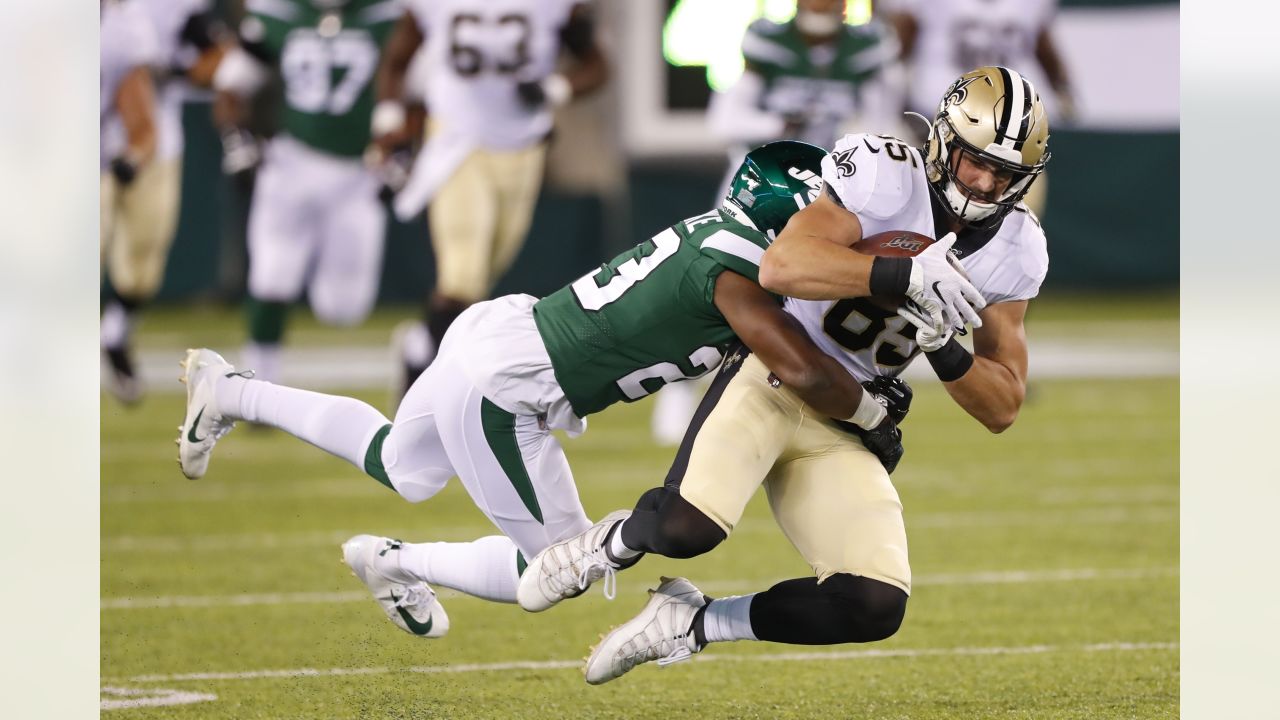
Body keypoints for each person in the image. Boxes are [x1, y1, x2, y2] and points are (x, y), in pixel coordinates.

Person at [174, 141, 981, 640]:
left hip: (504, 333)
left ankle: (232, 391)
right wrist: (875, 412)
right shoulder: (739, 274)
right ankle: (394, 560)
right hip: (510, 389)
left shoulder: (720, 238)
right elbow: (799, 368)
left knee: (400, 462)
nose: (830, 225)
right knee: (551, 576)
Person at [514, 66, 1051, 685]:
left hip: (848, 417)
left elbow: (1002, 404)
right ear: (941, 145)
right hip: (776, 373)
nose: (985, 183)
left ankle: (693, 623)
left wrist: (945, 350)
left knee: (873, 602)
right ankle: (602, 547)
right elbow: (782, 265)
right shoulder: (883, 173)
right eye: (973, 162)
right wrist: (901, 277)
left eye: (1005, 173)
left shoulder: (1017, 248)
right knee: (687, 528)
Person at [652, 0, 903, 445]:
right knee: (718, 292)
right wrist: (781, 123)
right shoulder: (768, 39)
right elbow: (725, 119)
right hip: (759, 191)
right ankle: (677, 391)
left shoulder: (869, 47)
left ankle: (815, 399)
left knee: (810, 307)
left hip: (828, 200)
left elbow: (884, 126)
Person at [368, 0, 610, 410]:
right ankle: (428, 396)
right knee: (462, 275)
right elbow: (396, 59)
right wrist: (389, 127)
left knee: (480, 281)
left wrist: (557, 88)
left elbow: (598, 65)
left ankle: (419, 346)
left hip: (524, 149)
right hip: (458, 141)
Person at [210, 0, 402, 385]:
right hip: (290, 163)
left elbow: (415, 88)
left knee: (343, 307)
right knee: (272, 274)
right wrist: (239, 140)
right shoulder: (279, 12)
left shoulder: (388, 16)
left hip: (358, 173)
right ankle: (256, 386)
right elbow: (231, 84)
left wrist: (401, 151)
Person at [100, 0, 231, 404]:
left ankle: (115, 334)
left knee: (143, 263)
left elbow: (220, 58)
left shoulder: (140, 23)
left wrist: (178, 73)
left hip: (152, 147)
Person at [883, 0, 1075, 215]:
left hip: (1008, 126)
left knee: (1013, 215)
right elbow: (900, 44)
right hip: (940, 123)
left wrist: (1062, 88)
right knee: (921, 209)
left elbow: (1042, 43)